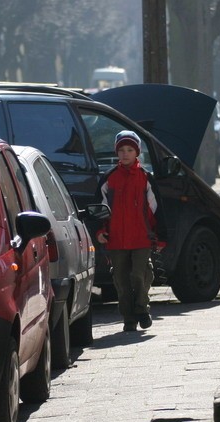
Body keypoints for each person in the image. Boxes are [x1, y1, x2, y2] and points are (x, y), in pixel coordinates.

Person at [96, 130, 164, 332]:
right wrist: (100, 231)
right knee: (121, 280)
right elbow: (99, 209)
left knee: (140, 275)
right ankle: (128, 318)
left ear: (137, 152)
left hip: (142, 238)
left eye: (130, 150)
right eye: (121, 150)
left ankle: (142, 309)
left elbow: (157, 210)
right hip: (116, 240)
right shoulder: (109, 179)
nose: (125, 154)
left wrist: (160, 237)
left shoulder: (145, 178)